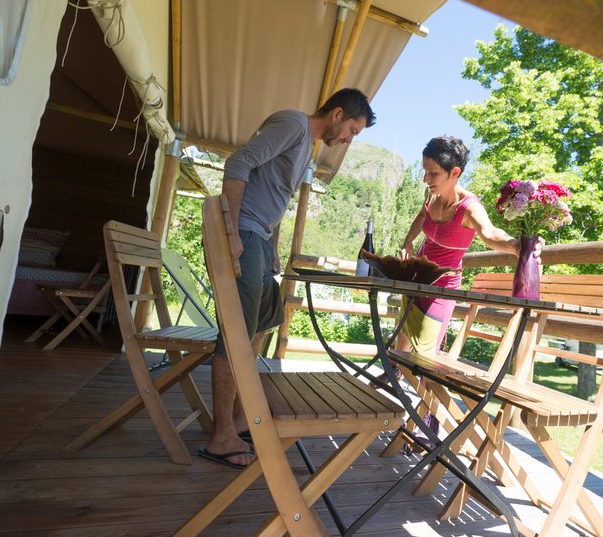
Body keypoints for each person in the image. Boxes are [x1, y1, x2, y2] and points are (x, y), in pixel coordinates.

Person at [200, 88, 375, 469]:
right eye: (352, 130)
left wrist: (273, 247)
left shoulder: (306, 145)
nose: (349, 139)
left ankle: (238, 417)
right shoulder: (293, 124)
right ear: (337, 114)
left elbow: (275, 200)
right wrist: (231, 231)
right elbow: (239, 162)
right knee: (236, 333)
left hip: (260, 240)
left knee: (265, 321)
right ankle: (221, 436)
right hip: (245, 233)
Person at [396, 136, 542, 358]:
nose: (426, 178)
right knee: (402, 339)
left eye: (433, 173)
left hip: (441, 289)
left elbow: (490, 233)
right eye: (425, 171)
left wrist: (516, 246)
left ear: (454, 172)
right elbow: (422, 215)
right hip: (416, 278)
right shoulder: (432, 196)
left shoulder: (469, 208)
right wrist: (408, 241)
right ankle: (394, 371)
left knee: (424, 357)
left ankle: (417, 381)